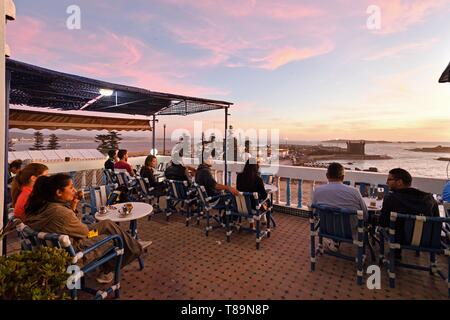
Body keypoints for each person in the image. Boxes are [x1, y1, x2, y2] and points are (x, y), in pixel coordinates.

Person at [25, 174, 145, 284]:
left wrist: (74, 204)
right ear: (59, 192)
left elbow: (70, 226)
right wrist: (74, 212)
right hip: (74, 254)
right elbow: (84, 233)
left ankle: (133, 245)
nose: (74, 190)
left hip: (58, 249)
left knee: (107, 224)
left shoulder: (41, 206)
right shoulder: (60, 212)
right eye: (71, 187)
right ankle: (115, 263)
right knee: (116, 238)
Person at [379, 168, 440, 257]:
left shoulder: (391, 199)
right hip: (428, 240)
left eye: (389, 179)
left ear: (399, 182)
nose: (386, 182)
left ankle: (395, 253)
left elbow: (383, 223)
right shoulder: (430, 199)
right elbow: (436, 221)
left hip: (401, 240)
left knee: (391, 227)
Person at [312, 163, 368, 251]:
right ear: (343, 177)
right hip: (350, 231)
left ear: (327, 176)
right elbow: (365, 215)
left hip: (326, 229)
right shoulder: (354, 192)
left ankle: (334, 242)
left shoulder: (317, 191)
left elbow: (315, 212)